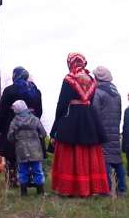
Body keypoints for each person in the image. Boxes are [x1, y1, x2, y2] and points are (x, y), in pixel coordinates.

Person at [50, 53, 109, 197]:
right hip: (89, 117)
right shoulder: (92, 80)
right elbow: (91, 99)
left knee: (70, 151)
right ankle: (88, 188)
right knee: (89, 151)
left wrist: (55, 127)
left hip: (71, 118)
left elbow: (62, 103)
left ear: (70, 63)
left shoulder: (69, 79)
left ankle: (70, 189)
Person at [0, 66, 42, 188]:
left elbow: (2, 111)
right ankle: (32, 179)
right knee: (32, 154)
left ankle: (13, 180)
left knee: (11, 155)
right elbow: (40, 111)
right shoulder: (35, 91)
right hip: (32, 128)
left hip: (13, 126)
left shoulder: (9, 91)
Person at [92, 66, 126, 196]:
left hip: (103, 130)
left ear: (98, 78)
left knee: (105, 159)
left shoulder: (98, 92)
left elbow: (94, 112)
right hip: (115, 129)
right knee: (117, 159)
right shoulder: (116, 93)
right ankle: (122, 189)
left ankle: (106, 190)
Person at [7, 100, 47, 196]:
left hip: (21, 150)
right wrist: (39, 137)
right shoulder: (34, 119)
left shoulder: (14, 122)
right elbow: (43, 133)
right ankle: (40, 191)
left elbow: (10, 137)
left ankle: (23, 191)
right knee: (37, 170)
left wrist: (16, 140)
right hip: (35, 150)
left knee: (22, 170)